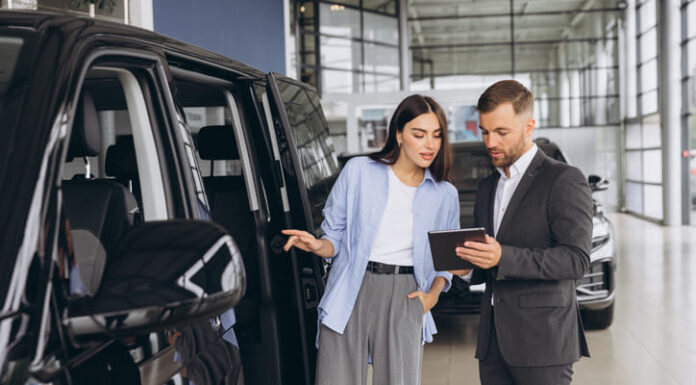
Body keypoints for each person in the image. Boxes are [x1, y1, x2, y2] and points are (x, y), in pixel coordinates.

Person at [283, 94, 459, 385]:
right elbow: (334, 238)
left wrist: (431, 297)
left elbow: (446, 260)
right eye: (419, 134)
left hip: (406, 293)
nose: (430, 144)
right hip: (352, 285)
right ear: (399, 135)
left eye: (436, 136)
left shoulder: (444, 194)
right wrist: (317, 245)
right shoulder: (359, 171)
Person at [455, 80, 592, 385]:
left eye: (502, 132)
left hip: (543, 342)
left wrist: (504, 256)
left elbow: (576, 260)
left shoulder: (563, 179)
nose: (491, 142)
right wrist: (466, 269)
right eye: (485, 131)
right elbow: (487, 269)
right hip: (493, 344)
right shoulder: (487, 187)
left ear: (528, 126)